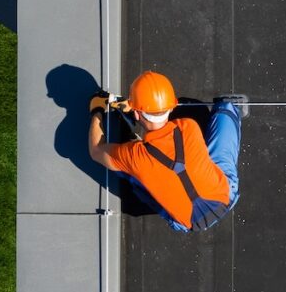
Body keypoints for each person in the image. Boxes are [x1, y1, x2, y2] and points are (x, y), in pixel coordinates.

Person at [87, 71, 241, 231]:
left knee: (130, 172)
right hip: (225, 196)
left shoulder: (133, 156)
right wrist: (136, 108)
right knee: (224, 125)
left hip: (190, 224)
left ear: (137, 114)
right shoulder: (189, 126)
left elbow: (96, 150)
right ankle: (229, 109)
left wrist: (96, 112)